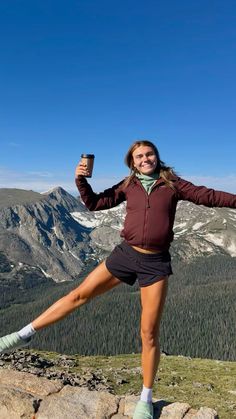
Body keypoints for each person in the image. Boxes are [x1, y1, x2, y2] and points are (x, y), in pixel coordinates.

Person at [0, 140, 236, 419]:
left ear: (157, 157)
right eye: (140, 156)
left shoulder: (173, 184)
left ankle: (145, 399)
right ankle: (23, 335)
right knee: (78, 295)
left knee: (148, 333)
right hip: (124, 255)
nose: (145, 159)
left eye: (149, 154)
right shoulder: (128, 185)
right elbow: (95, 203)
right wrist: (80, 179)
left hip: (155, 263)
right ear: (132, 162)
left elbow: (208, 196)